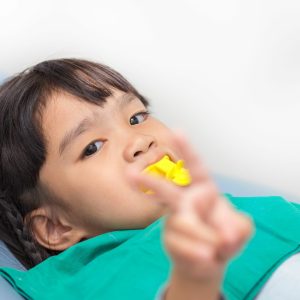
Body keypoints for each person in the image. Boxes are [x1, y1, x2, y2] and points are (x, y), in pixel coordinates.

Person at [0, 58, 298, 300]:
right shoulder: (103, 279)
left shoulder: (247, 209)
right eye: (93, 147)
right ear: (56, 226)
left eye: (137, 118)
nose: (140, 141)